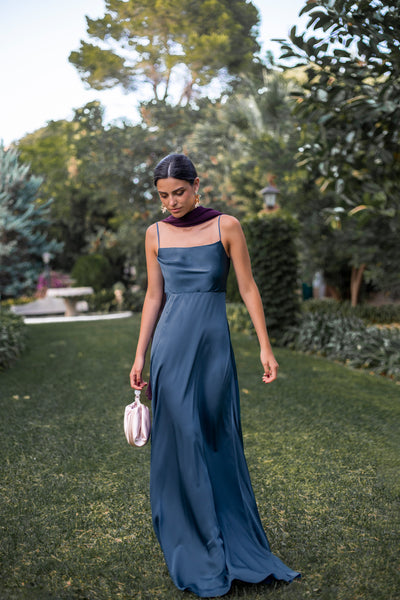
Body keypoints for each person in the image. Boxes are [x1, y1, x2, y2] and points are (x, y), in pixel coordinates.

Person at [130, 154, 300, 597]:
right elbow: (153, 297)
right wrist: (139, 354)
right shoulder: (154, 234)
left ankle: (229, 536)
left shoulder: (227, 226)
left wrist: (265, 345)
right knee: (180, 438)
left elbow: (246, 286)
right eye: (163, 195)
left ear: (196, 185)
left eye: (179, 192)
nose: (172, 202)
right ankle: (193, 539)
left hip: (212, 349)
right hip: (170, 347)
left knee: (215, 435)